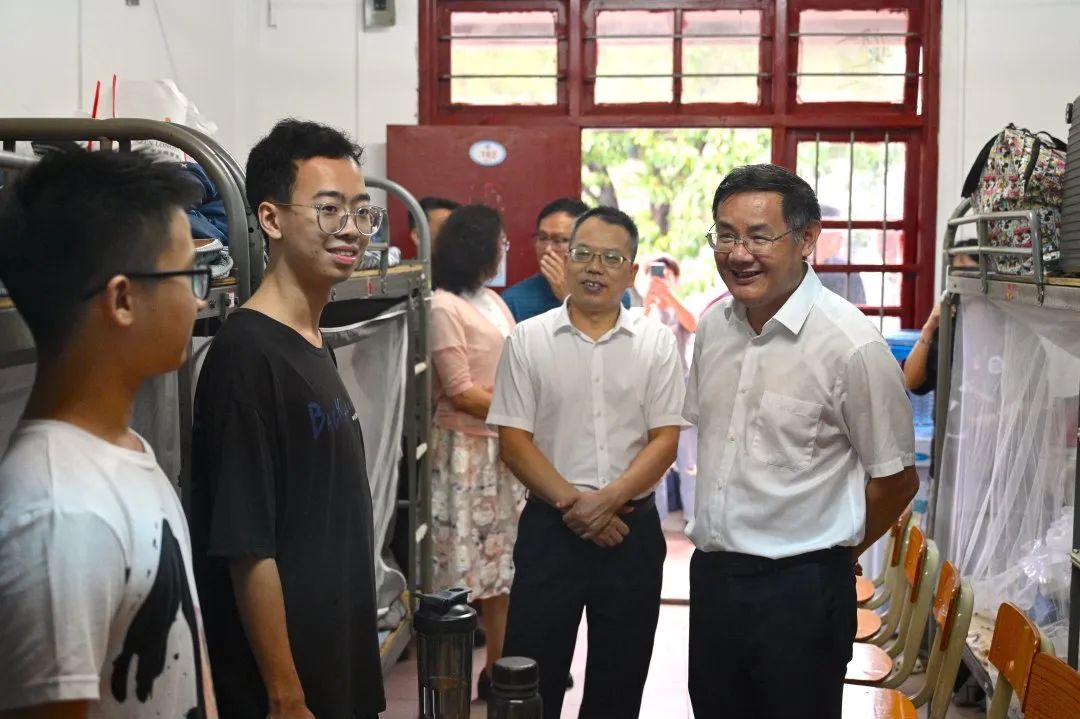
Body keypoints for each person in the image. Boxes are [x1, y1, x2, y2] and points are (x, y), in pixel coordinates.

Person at [684, 164, 918, 719]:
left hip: (800, 593)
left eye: (759, 236)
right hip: (714, 579)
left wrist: (832, 556)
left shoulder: (851, 346)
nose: (739, 254)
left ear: (807, 237)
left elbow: (896, 479)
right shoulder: (714, 328)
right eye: (726, 236)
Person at [0, 151, 216, 717]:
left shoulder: (125, 451)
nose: (200, 298)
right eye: (189, 275)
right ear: (122, 300)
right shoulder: (60, 514)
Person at [189, 120, 385, 719]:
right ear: (271, 219)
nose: (350, 228)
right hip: (289, 688)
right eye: (329, 210)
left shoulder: (311, 341)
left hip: (334, 656)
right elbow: (248, 547)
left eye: (361, 211)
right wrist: (285, 692)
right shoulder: (246, 357)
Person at [489, 207, 685, 719]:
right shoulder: (527, 339)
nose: (595, 267)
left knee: (619, 683)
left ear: (631, 271)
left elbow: (665, 439)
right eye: (583, 253)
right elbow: (514, 442)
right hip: (550, 531)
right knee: (531, 680)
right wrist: (576, 506)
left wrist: (609, 501)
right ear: (565, 258)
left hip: (631, 534)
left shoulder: (656, 343)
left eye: (611, 258)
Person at [429, 204, 525, 699]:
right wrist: (521, 407)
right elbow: (461, 391)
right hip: (464, 453)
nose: (504, 249)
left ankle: (496, 672)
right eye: (500, 242)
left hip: (500, 448)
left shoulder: (492, 299)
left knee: (502, 566)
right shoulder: (442, 305)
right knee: (460, 566)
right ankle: (450, 685)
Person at [643, 254, 697, 521]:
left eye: (667, 274)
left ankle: (692, 519)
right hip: (651, 391)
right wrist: (648, 303)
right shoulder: (644, 309)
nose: (661, 279)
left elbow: (694, 324)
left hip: (683, 388)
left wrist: (669, 296)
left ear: (676, 279)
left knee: (689, 460)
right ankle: (658, 520)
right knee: (654, 461)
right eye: (656, 273)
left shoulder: (681, 306)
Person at [816, 204, 867, 305]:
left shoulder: (849, 272)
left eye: (840, 233)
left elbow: (861, 311)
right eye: (832, 234)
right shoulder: (794, 270)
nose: (840, 238)